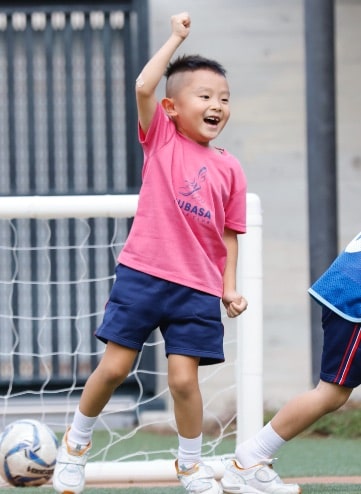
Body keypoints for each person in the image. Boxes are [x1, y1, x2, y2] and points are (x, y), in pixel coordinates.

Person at [53, 11, 248, 494]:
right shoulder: (160, 138)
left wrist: (229, 288)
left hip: (198, 288)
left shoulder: (230, 169)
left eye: (224, 99)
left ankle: (190, 465)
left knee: (184, 382)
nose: (217, 105)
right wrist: (176, 38)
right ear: (172, 107)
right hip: (143, 276)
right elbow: (143, 85)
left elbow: (229, 235)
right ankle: (75, 446)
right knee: (116, 368)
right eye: (204, 96)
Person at [221, 232, 361, 494]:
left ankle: (251, 456)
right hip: (353, 299)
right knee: (331, 393)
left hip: (347, 290)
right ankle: (252, 456)